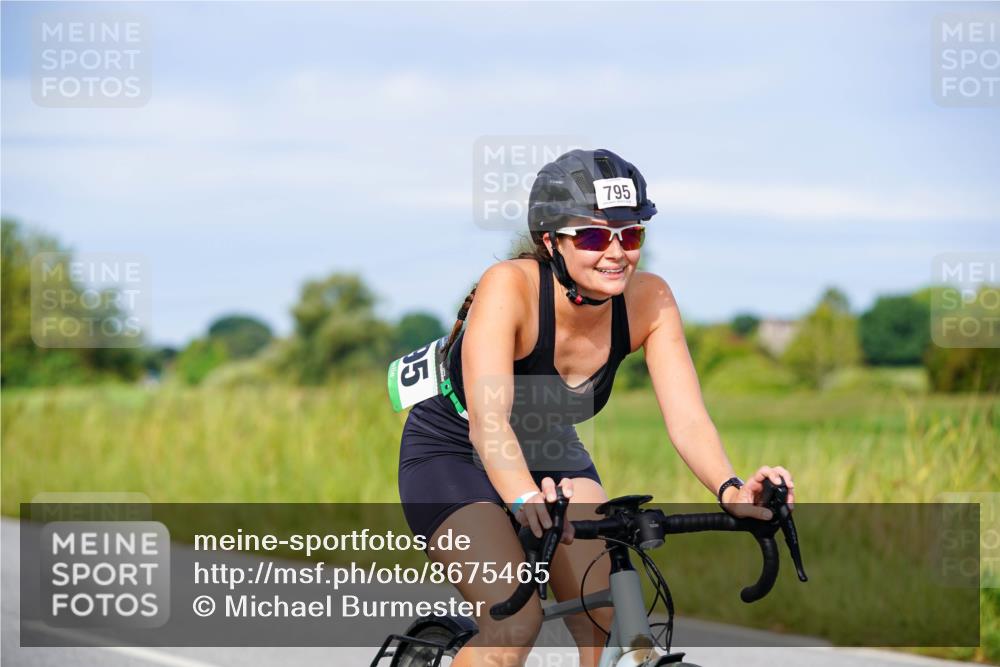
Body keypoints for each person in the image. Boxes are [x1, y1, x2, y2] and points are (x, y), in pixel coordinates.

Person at [396, 148, 796, 667]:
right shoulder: (511, 288)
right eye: (591, 236)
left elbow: (689, 418)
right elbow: (490, 422)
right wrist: (520, 498)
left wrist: (732, 489)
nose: (616, 253)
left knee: (613, 627)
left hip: (551, 449)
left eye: (630, 235)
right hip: (454, 450)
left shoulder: (651, 300)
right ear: (550, 241)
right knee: (514, 624)